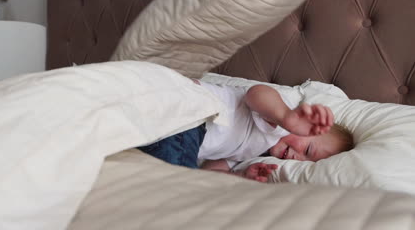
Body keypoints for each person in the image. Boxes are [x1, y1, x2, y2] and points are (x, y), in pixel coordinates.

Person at [138, 81, 353, 182]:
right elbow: (256, 93)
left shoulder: (251, 153)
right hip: (191, 114)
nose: (297, 158)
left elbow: (208, 172)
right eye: (307, 150)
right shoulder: (278, 119)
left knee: (189, 180)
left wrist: (238, 175)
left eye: (303, 162)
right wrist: (287, 117)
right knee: (176, 185)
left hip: (171, 132)